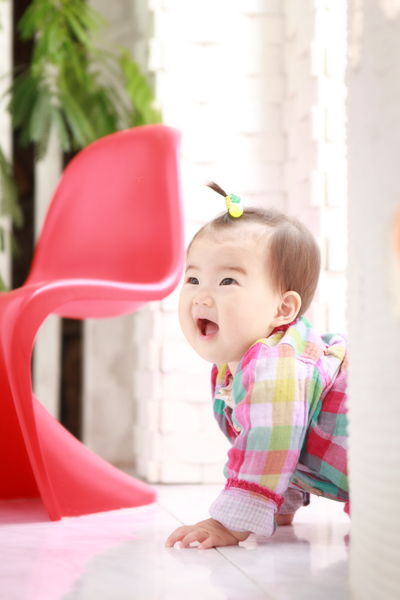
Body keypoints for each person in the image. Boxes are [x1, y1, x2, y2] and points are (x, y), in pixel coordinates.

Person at [165, 183, 349, 550]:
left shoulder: (276, 365)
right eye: (193, 278)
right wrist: (279, 505)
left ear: (282, 309)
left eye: (227, 281)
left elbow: (272, 439)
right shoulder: (234, 372)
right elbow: (290, 446)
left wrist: (232, 522)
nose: (202, 295)